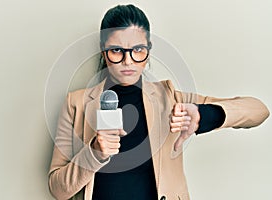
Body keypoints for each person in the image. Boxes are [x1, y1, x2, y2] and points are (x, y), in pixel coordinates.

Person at [48, 4, 269, 200]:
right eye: (117, 50)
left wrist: (204, 115)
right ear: (103, 50)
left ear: (148, 50)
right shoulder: (76, 103)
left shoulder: (172, 99)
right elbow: (58, 190)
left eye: (138, 50)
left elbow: (259, 110)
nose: (128, 61)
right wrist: (94, 152)